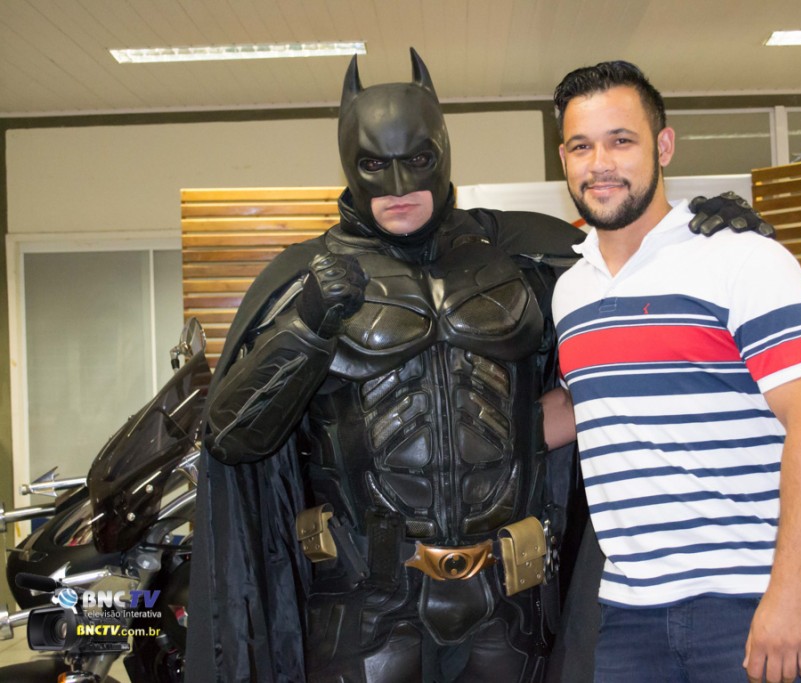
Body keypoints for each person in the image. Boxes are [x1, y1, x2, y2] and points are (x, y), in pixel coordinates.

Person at [185, 49, 769, 683]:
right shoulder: (309, 276)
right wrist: (306, 326)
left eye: (418, 161)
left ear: (443, 153)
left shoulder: (523, 255)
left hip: (508, 601)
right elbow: (232, 440)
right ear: (349, 166)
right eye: (375, 165)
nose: (399, 185)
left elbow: (636, 310)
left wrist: (699, 235)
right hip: (365, 601)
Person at [549, 61, 801, 683]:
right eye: (581, 146)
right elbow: (587, 411)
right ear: (564, 160)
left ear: (663, 146)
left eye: (621, 141)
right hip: (627, 613)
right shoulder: (570, 292)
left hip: (748, 601)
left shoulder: (744, 258)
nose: (600, 163)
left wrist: (790, 591)